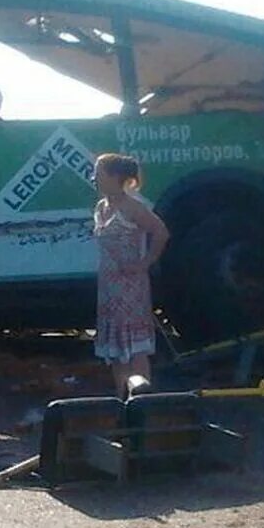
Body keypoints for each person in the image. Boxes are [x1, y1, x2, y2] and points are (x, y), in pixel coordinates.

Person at [92, 154, 170, 397]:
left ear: (115, 177)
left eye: (100, 173)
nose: (95, 178)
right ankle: (121, 399)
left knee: (134, 348)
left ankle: (141, 402)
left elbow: (161, 232)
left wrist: (145, 262)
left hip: (130, 287)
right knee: (115, 349)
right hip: (108, 287)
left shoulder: (133, 207)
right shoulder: (101, 207)